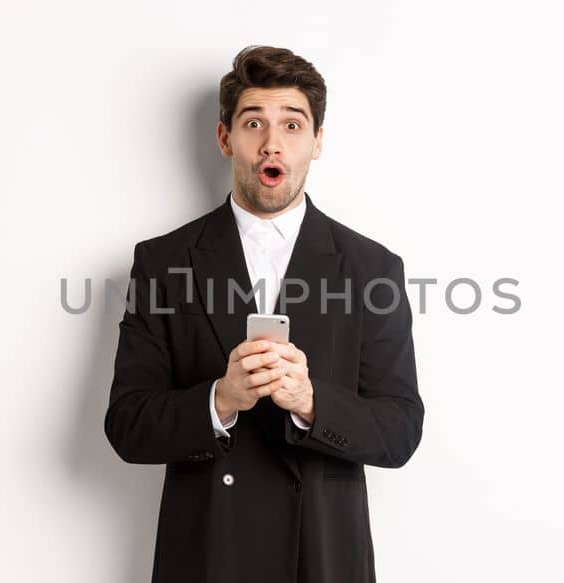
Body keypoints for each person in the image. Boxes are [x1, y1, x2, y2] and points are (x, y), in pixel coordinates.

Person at [104, 45, 423, 583]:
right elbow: (128, 425)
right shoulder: (162, 262)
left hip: (322, 556)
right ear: (226, 138)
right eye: (254, 122)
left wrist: (312, 401)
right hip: (207, 556)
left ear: (317, 142)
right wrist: (220, 400)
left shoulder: (372, 268)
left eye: (293, 125)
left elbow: (400, 431)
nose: (272, 143)